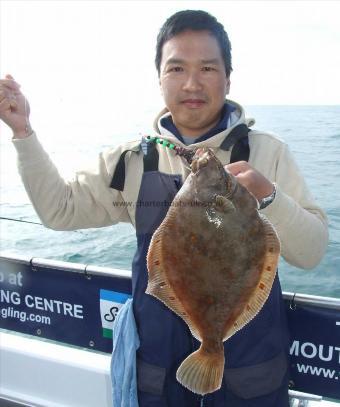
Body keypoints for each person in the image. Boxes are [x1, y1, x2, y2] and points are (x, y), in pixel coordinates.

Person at [0, 9, 328, 407]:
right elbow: (59, 210)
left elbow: (310, 253)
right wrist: (23, 132)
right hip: (158, 377)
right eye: (176, 68)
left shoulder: (267, 153)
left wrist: (269, 197)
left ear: (228, 77)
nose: (192, 82)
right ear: (158, 78)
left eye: (208, 67)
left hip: (252, 377)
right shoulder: (132, 161)